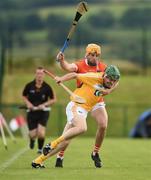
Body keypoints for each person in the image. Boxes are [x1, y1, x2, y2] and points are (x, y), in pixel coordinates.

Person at [31, 65, 120, 168]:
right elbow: (74, 75)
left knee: (65, 142)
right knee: (82, 128)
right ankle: (51, 144)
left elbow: (117, 83)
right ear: (104, 75)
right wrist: (61, 79)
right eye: (110, 79)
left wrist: (109, 90)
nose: (111, 82)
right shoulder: (93, 77)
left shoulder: (111, 82)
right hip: (75, 106)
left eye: (114, 80)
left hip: (83, 111)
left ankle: (38, 161)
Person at [54, 43, 119, 168]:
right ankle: (60, 155)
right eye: (92, 55)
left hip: (97, 101)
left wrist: (108, 91)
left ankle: (95, 152)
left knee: (103, 124)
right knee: (72, 130)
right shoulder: (79, 64)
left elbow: (117, 80)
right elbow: (67, 67)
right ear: (87, 54)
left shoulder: (104, 67)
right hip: (81, 101)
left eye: (97, 55)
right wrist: (62, 61)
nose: (95, 58)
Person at [22, 67, 56, 154]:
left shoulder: (47, 87)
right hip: (31, 112)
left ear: (44, 75)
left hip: (43, 112)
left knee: (41, 133)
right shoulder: (29, 85)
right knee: (32, 134)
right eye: (38, 73)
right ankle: (32, 140)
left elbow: (53, 99)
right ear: (35, 74)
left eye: (41, 73)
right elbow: (24, 96)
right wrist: (28, 104)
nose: (39, 75)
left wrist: (44, 105)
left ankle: (40, 149)